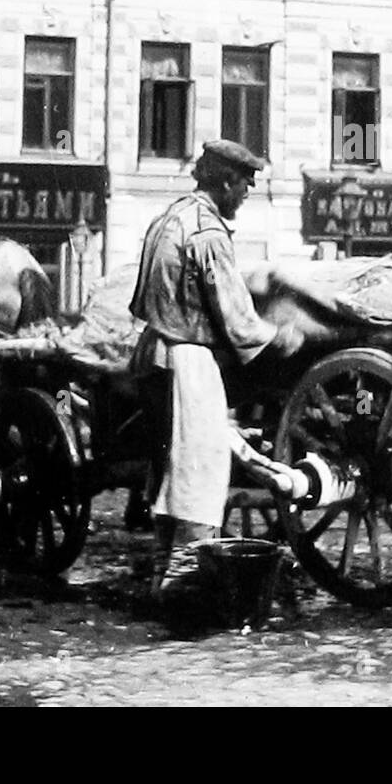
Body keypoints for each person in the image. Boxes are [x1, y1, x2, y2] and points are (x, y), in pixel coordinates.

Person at [128, 139, 291, 599]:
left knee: (168, 470)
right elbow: (235, 319)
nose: (246, 194)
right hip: (189, 361)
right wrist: (281, 338)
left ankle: (166, 576)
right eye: (244, 184)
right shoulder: (207, 234)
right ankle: (186, 584)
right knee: (196, 469)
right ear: (224, 181)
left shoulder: (170, 217)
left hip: (155, 355)